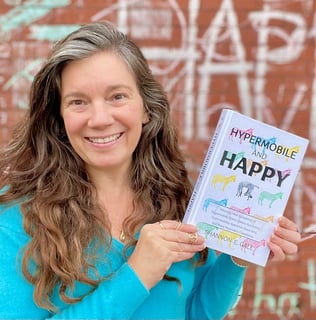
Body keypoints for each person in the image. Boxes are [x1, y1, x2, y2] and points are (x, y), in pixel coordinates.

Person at [0, 21, 301, 319]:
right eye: (78, 102)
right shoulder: (16, 219)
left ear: (146, 108)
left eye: (117, 96)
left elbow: (195, 312)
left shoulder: (175, 199)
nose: (100, 118)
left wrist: (237, 258)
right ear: (60, 119)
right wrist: (138, 273)